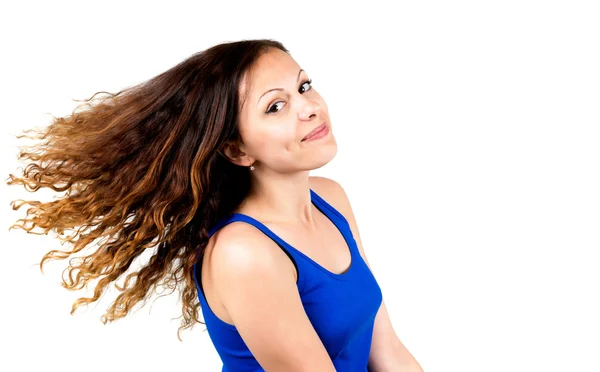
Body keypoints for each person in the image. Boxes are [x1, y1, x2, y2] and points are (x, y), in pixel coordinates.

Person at [7, 39, 423, 371]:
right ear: (237, 150)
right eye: (276, 106)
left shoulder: (331, 198)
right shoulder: (245, 253)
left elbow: (389, 355)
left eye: (304, 87)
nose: (309, 108)